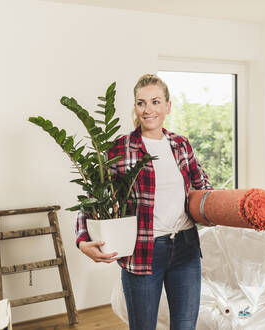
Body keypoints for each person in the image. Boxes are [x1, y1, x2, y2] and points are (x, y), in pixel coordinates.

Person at [75, 73, 213, 330]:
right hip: (143, 250)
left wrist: (218, 210)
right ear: (135, 107)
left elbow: (202, 185)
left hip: (186, 247)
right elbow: (96, 196)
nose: (148, 109)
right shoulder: (121, 148)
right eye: (141, 103)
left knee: (185, 327)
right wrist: (83, 240)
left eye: (155, 101)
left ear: (168, 106)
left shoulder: (181, 145)